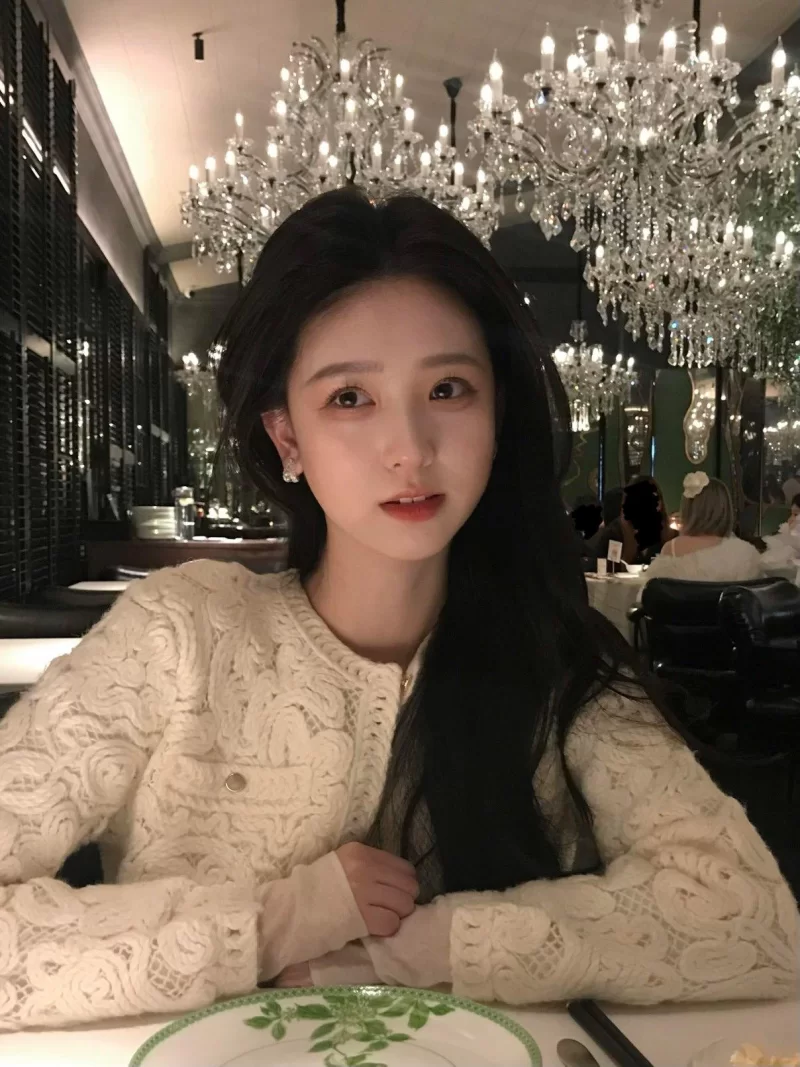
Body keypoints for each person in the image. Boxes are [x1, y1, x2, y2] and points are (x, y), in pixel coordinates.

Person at [0, 191, 796, 1032]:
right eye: (350, 397)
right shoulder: (178, 634)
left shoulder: (557, 658)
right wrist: (273, 923)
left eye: (448, 388)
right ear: (287, 436)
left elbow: (752, 917)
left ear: (496, 415)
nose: (410, 448)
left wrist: (427, 946)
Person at [641, 472, 765, 585]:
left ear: (687, 509)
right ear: (726, 510)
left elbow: (651, 596)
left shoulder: (671, 550)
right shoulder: (746, 554)